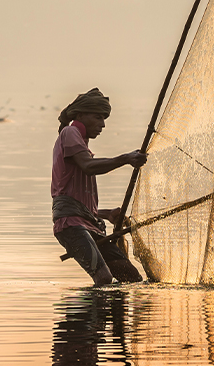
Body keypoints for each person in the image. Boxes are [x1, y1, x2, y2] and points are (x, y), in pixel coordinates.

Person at [52, 88, 146, 286]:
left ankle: (109, 315)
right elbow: (88, 166)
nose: (102, 124)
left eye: (104, 118)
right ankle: (90, 316)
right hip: (71, 226)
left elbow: (79, 203)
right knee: (103, 278)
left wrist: (104, 214)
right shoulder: (70, 133)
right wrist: (125, 158)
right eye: (98, 117)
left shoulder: (80, 142)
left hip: (89, 224)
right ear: (80, 115)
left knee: (132, 279)